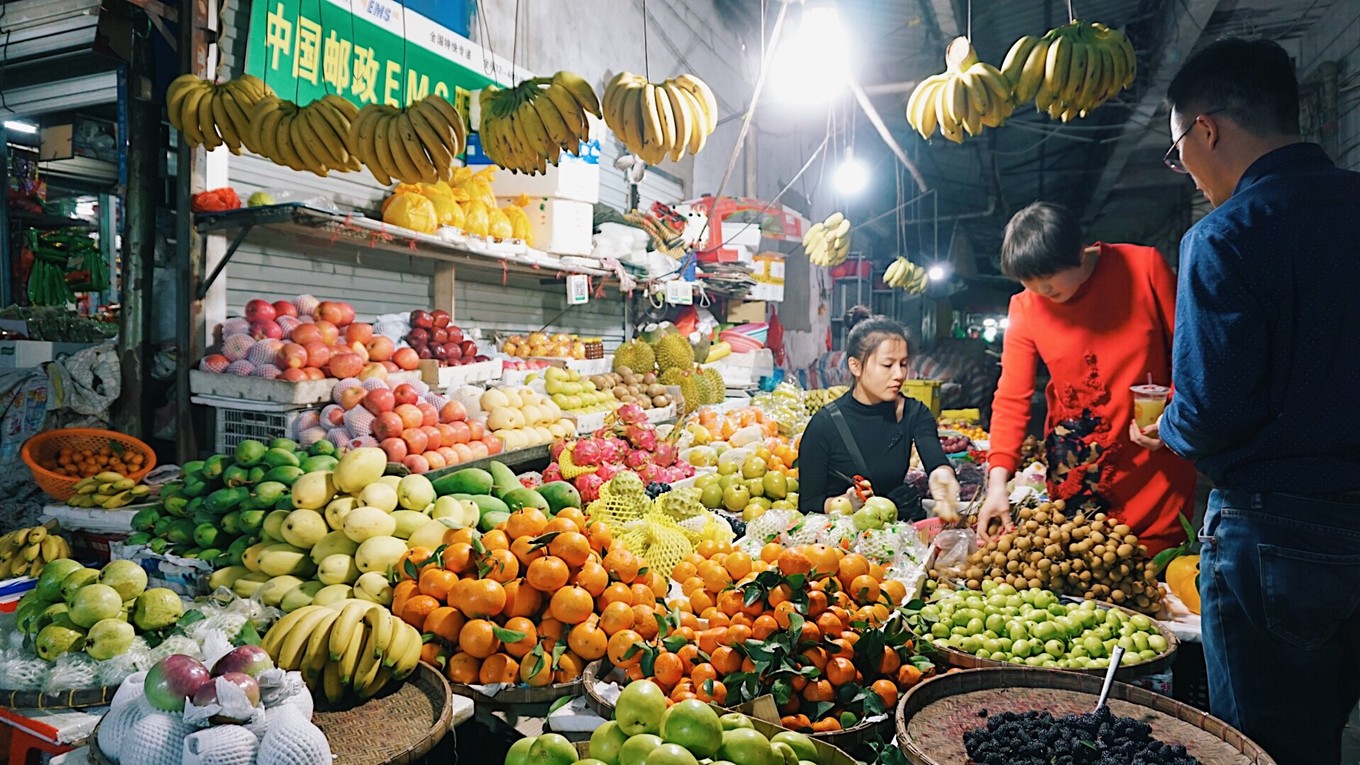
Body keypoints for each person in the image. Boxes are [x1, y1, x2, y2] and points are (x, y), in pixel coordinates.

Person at [1128, 37, 1360, 765]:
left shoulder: (1225, 236)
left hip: (1276, 539)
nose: (1188, 173)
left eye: (1177, 152)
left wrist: (1163, 423)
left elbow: (1208, 412)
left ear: (1206, 130)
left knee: (1268, 746)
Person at [976, 202, 1197, 556]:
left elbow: (1192, 355)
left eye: (1049, 283)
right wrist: (997, 482)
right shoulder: (1026, 306)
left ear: (1080, 251)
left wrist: (1173, 413)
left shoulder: (1144, 268)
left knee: (1156, 570)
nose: (1042, 293)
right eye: (1030, 284)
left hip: (1153, 459)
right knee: (1080, 568)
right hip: (1076, 468)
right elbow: (1011, 396)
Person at [798, 307, 961, 519]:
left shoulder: (914, 413)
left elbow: (933, 456)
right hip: (842, 543)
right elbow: (809, 504)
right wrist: (846, 503)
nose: (899, 374)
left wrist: (942, 475)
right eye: (887, 365)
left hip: (893, 537)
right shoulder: (824, 425)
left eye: (903, 364)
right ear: (855, 366)